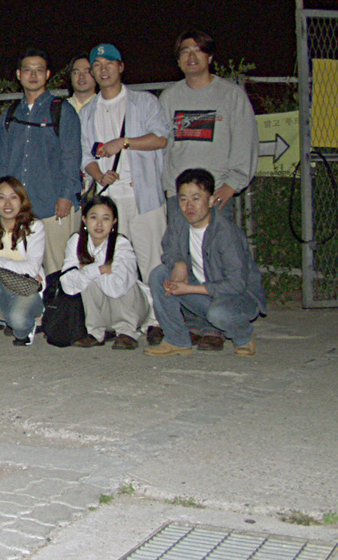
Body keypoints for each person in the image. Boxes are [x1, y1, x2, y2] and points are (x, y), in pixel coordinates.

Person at [79, 42, 170, 343]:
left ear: (121, 67)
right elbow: (86, 155)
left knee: (152, 262)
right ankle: (123, 326)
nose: (103, 70)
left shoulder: (143, 102)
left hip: (143, 197)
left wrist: (125, 142)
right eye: (97, 65)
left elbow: (160, 139)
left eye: (109, 63)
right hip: (110, 199)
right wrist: (99, 175)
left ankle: (158, 321)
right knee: (113, 263)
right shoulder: (88, 111)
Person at [146, 168, 266, 357]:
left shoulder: (225, 234)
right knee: (159, 275)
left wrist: (187, 289)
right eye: (183, 199)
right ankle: (176, 340)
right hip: (204, 293)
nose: (189, 206)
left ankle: (244, 337)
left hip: (237, 298)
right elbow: (169, 250)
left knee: (219, 314)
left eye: (196, 198)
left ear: (210, 201)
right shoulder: (179, 222)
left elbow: (236, 285)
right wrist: (178, 263)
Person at [0, 48, 81, 277]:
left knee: (58, 270)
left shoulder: (62, 111)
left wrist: (66, 195)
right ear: (18, 74)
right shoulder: (10, 114)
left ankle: (60, 303)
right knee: (19, 272)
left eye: (39, 70)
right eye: (27, 70)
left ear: (47, 74)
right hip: (19, 208)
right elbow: (2, 161)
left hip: (53, 206)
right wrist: (3, 199)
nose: (33, 75)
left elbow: (72, 157)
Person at [159, 29, 259, 219]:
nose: (191, 56)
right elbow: (163, 146)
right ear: (178, 61)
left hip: (216, 196)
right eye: (185, 51)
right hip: (178, 198)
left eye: (198, 50)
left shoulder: (231, 95)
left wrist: (231, 185)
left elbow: (245, 142)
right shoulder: (169, 97)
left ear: (210, 57)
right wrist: (167, 188)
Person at [59, 196, 149, 350]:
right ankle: (95, 332)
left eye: (106, 218)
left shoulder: (121, 243)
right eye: (94, 217)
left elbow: (117, 288)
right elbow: (68, 284)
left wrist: (86, 270)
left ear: (114, 222)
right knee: (87, 281)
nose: (99, 224)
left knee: (99, 278)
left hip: (133, 311)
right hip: (105, 312)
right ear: (84, 219)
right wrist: (100, 269)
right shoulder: (76, 241)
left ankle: (127, 333)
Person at [0, 177, 46, 348]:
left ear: (22, 200)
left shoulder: (35, 226)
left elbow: (31, 268)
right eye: (1, 197)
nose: (7, 203)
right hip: (0, 286)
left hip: (26, 288)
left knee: (17, 321)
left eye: (13, 197)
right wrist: (17, 269)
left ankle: (27, 327)